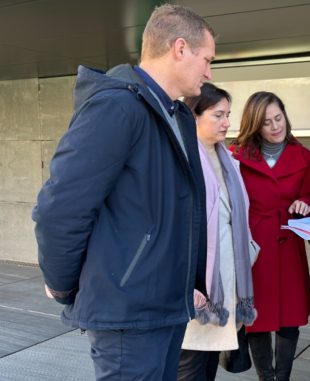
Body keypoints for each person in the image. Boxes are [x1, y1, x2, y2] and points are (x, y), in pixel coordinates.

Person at [31, 4, 214, 380]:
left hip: (165, 308)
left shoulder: (175, 115)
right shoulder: (116, 106)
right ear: (180, 48)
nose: (210, 72)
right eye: (207, 59)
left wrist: (189, 286)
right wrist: (62, 284)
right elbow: (61, 208)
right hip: (129, 315)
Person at [230, 91, 310, 381]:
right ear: (255, 125)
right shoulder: (237, 156)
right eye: (266, 122)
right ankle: (266, 377)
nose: (275, 126)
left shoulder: (302, 155)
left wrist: (304, 203)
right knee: (257, 318)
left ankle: (283, 377)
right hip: (254, 248)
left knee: (289, 318)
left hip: (288, 246)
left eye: (278, 118)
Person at [177, 83, 259, 381]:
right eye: (218, 115)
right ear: (194, 116)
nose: (226, 122)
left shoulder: (229, 161)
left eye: (228, 115)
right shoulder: (182, 162)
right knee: (188, 368)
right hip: (197, 289)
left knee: (207, 369)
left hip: (224, 288)